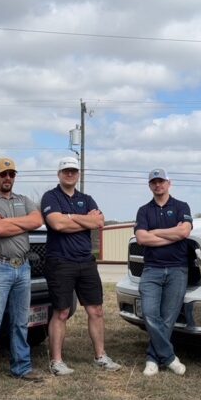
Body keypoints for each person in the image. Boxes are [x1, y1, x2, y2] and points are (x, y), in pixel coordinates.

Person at [0, 158, 46, 394]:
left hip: (23, 267)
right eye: (3, 174)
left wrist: (8, 222)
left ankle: (21, 367)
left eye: (12, 174)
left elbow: (38, 220)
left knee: (20, 322)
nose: (8, 178)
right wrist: (20, 224)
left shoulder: (23, 200)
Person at [40, 157, 121, 375]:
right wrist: (83, 219)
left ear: (78, 174)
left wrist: (70, 218)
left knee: (96, 310)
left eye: (74, 171)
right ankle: (56, 362)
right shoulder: (51, 196)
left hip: (86, 262)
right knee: (62, 312)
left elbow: (99, 222)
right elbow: (56, 224)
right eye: (66, 171)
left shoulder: (87, 198)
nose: (70, 174)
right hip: (60, 262)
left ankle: (101, 356)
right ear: (59, 173)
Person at [134, 168, 193, 376]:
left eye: (161, 181)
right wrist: (172, 235)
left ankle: (152, 358)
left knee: (168, 318)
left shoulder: (181, 206)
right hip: (152, 269)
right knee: (150, 314)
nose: (158, 185)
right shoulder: (144, 211)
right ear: (150, 185)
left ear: (169, 183)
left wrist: (155, 232)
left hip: (177, 269)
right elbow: (142, 238)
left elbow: (184, 231)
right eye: (154, 182)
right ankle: (169, 358)